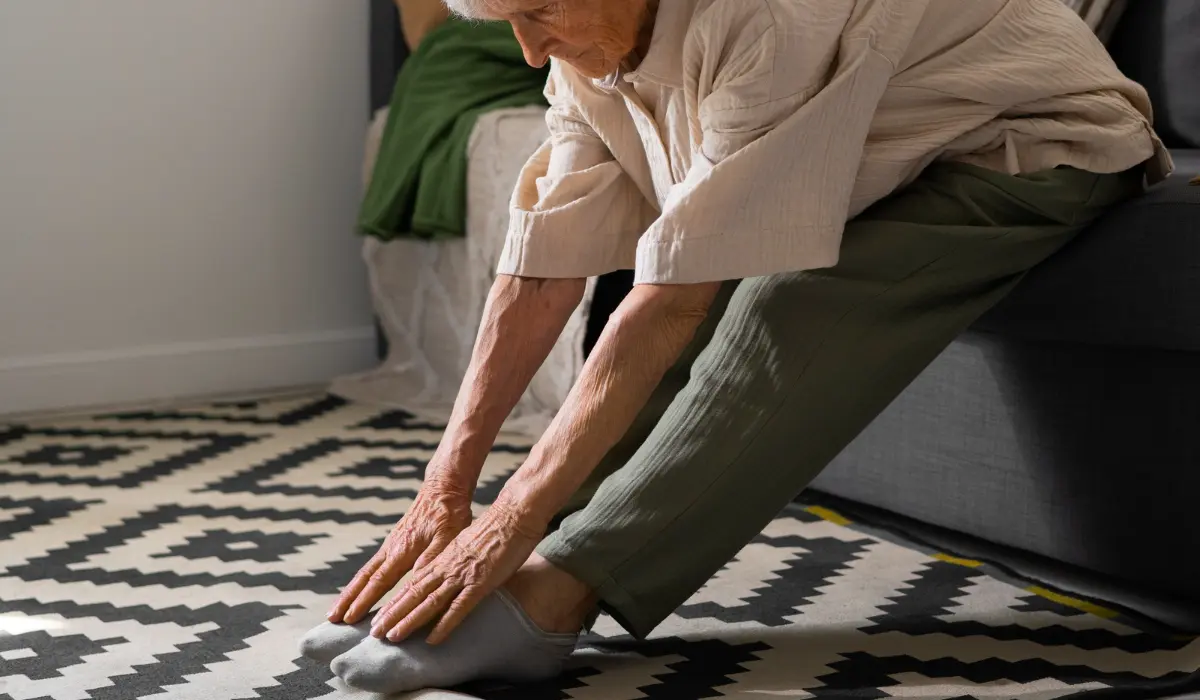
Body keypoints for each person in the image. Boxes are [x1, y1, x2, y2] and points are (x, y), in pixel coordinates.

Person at [302, 0, 1172, 693]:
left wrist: (507, 517)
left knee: (776, 303)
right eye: (509, 23)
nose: (530, 52)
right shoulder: (586, 54)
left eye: (540, 12)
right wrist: (444, 493)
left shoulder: (766, 17)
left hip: (1030, 142)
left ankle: (553, 595)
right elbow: (537, 274)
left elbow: (674, 300)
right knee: (659, 311)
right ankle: (500, 571)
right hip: (892, 152)